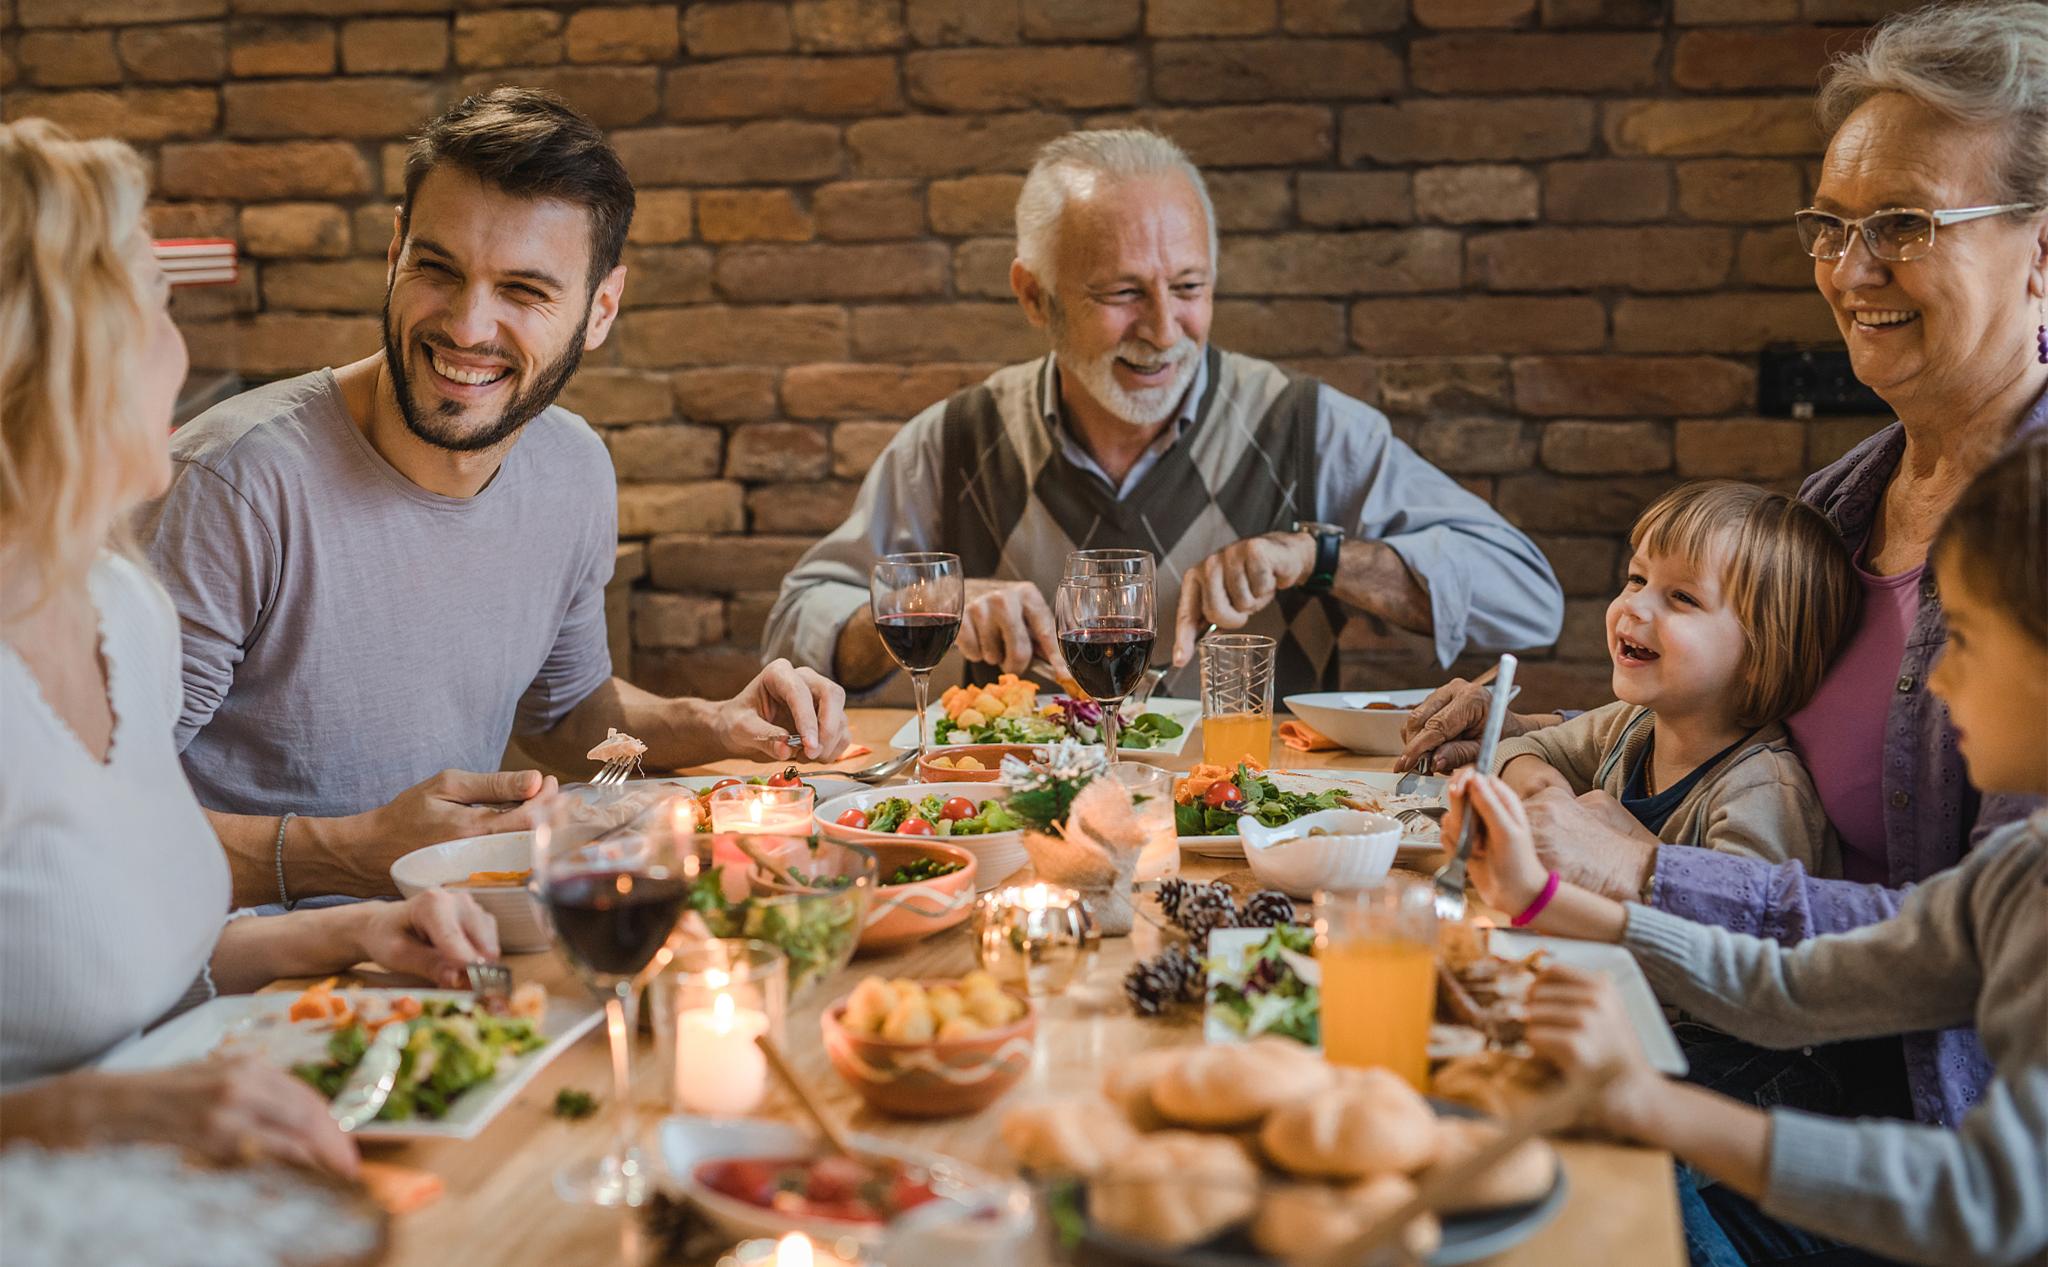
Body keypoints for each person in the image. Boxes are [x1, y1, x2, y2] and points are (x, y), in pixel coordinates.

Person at [1398, 0, 2048, 1131]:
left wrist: (1648, 875)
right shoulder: (1839, 505)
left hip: (1897, 1137)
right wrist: (1528, 735)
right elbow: (1740, 739)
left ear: (2040, 251)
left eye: (1899, 224)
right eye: (1828, 224)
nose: (1849, 270)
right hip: (1729, 1036)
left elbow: (1981, 953)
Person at [136, 88, 850, 908]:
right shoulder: (236, 483)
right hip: (241, 987)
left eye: (524, 291)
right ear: (395, 248)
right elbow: (82, 818)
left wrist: (713, 723)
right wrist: (349, 852)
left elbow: (571, 721)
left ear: (600, 309)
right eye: (438, 269)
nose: (469, 327)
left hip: (458, 949)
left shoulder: (574, 469)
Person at [0, 118, 497, 1177]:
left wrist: (355, 933)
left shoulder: (116, 607)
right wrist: (84, 1121)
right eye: (162, 309)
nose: (185, 358)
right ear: (70, 356)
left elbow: (117, 961)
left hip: (177, 1195)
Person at [1445, 440, 2047, 1267]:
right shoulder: (2017, 871)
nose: (1934, 688)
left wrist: (1648, 1104)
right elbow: (1789, 983)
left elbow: (1988, 1202)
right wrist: (1547, 898)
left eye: (1967, 643)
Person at [766, 128, 1562, 702]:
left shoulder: (1304, 428)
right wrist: (926, 604)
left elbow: (1529, 599)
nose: (1162, 329)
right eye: (1121, 293)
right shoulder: (953, 442)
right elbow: (797, 625)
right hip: (1016, 846)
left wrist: (1318, 560)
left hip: (1254, 839)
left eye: (1188, 287)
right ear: (1032, 296)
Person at [1494, 481, 1856, 874]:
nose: (1634, 605)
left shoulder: (1762, 792)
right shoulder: (1632, 723)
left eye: (1683, 597)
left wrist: (1622, 844)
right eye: (1638, 578)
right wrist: (1544, 790)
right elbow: (1518, 748)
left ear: (1761, 654)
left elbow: (1747, 915)